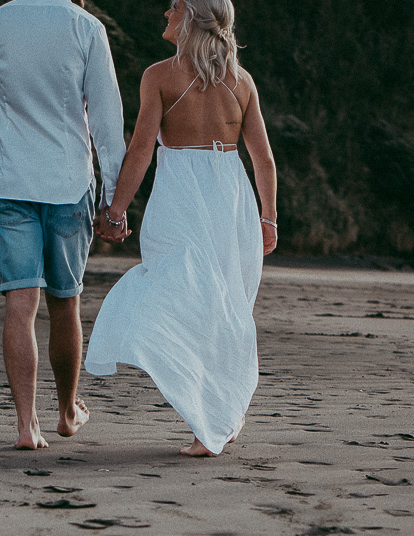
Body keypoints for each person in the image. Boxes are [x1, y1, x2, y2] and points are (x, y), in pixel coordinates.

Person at [85, 0, 277, 457]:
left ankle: (213, 417)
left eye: (173, 6)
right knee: (221, 308)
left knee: (189, 299)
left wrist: (115, 212)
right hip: (232, 199)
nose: (164, 12)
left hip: (183, 200)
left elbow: (140, 151)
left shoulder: (159, 76)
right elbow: (263, 160)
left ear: (191, 16)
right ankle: (219, 413)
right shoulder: (241, 81)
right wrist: (268, 216)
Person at [0, 0, 129, 451]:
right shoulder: (87, 28)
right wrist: (114, 203)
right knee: (64, 302)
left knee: (20, 301)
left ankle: (27, 426)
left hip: (11, 183)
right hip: (69, 185)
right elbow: (108, 122)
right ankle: (67, 413)